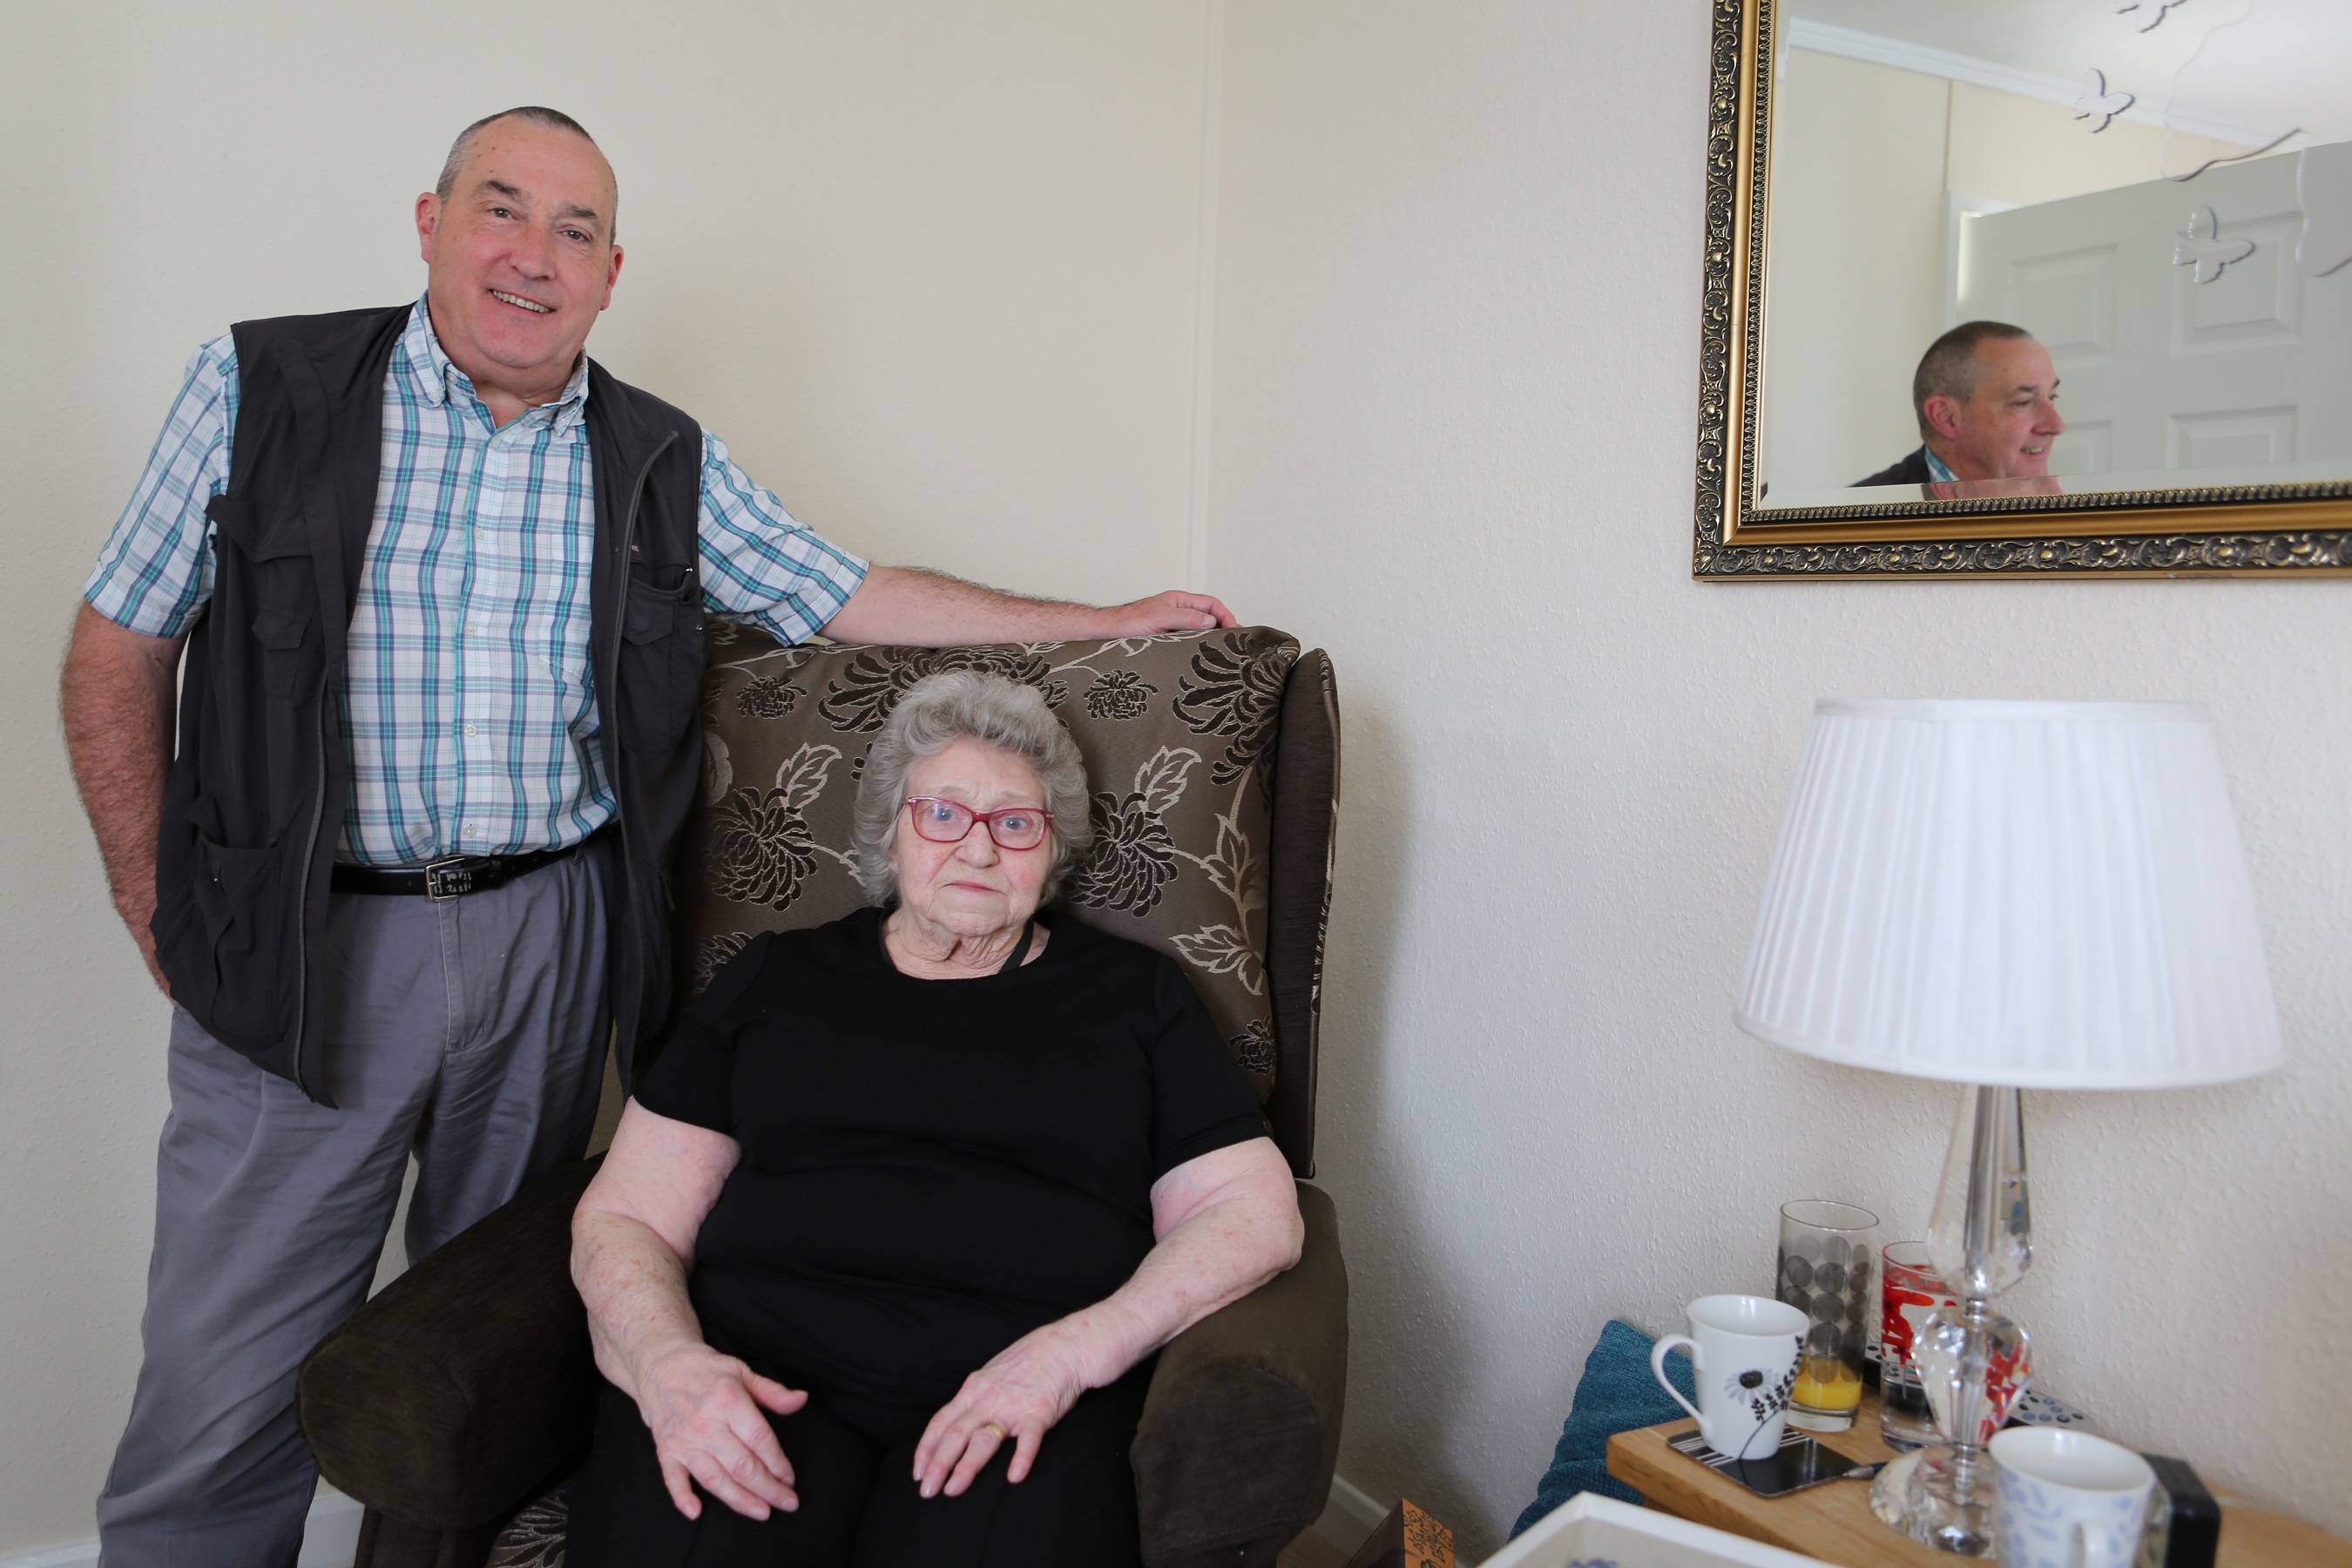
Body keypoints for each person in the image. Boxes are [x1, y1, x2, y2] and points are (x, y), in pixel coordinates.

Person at [58, 105, 1236, 1568]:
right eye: (502, 209)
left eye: (576, 231)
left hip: (549, 936)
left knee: (485, 1335)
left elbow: (844, 592)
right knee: (223, 1377)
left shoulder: (656, 455)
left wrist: (1101, 624)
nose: (533, 257)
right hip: (309, 932)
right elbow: (119, 644)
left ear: (614, 273)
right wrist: (149, 888)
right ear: (428, 222)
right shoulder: (259, 386)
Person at [565, 672, 1303, 1566]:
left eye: (1016, 822)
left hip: (1023, 1397)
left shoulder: (1134, 997)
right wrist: (664, 1366)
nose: (980, 851)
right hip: (755, 1372)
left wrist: (1072, 1357)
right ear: (890, 830)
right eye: (944, 814)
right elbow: (627, 1215)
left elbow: (1254, 1211)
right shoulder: (776, 978)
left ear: (1053, 845)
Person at [1855, 321, 2066, 493]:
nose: (2056, 425)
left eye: (2052, 396)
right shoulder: (1855, 521)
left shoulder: (2070, 513)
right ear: (1946, 417)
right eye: (2024, 402)